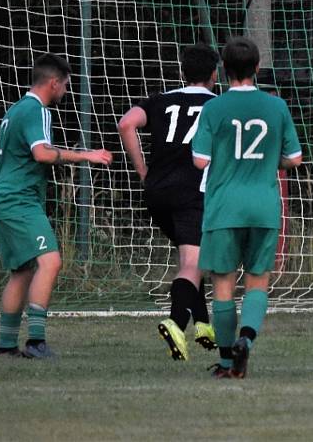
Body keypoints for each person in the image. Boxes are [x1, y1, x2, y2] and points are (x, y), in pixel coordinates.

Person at [191, 36, 303, 379]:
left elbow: (200, 160)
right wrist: (271, 161)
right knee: (258, 281)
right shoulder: (276, 105)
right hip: (263, 206)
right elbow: (295, 159)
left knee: (222, 283)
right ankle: (247, 342)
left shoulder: (214, 108)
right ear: (256, 68)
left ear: (223, 70)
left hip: (224, 206)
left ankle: (227, 362)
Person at [0, 53, 113, 359]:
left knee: (22, 271)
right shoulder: (37, 111)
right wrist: (87, 156)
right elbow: (42, 154)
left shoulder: (15, 109)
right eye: (66, 86)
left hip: (3, 198)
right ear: (54, 82)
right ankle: (35, 342)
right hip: (18, 200)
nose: (66, 92)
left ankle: (6, 347)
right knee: (51, 261)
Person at [118, 43, 220, 361]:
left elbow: (126, 123)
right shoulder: (219, 106)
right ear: (215, 75)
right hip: (194, 192)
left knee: (191, 256)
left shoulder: (161, 100)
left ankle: (203, 325)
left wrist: (144, 172)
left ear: (181, 72)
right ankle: (176, 323)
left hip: (158, 192)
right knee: (193, 263)